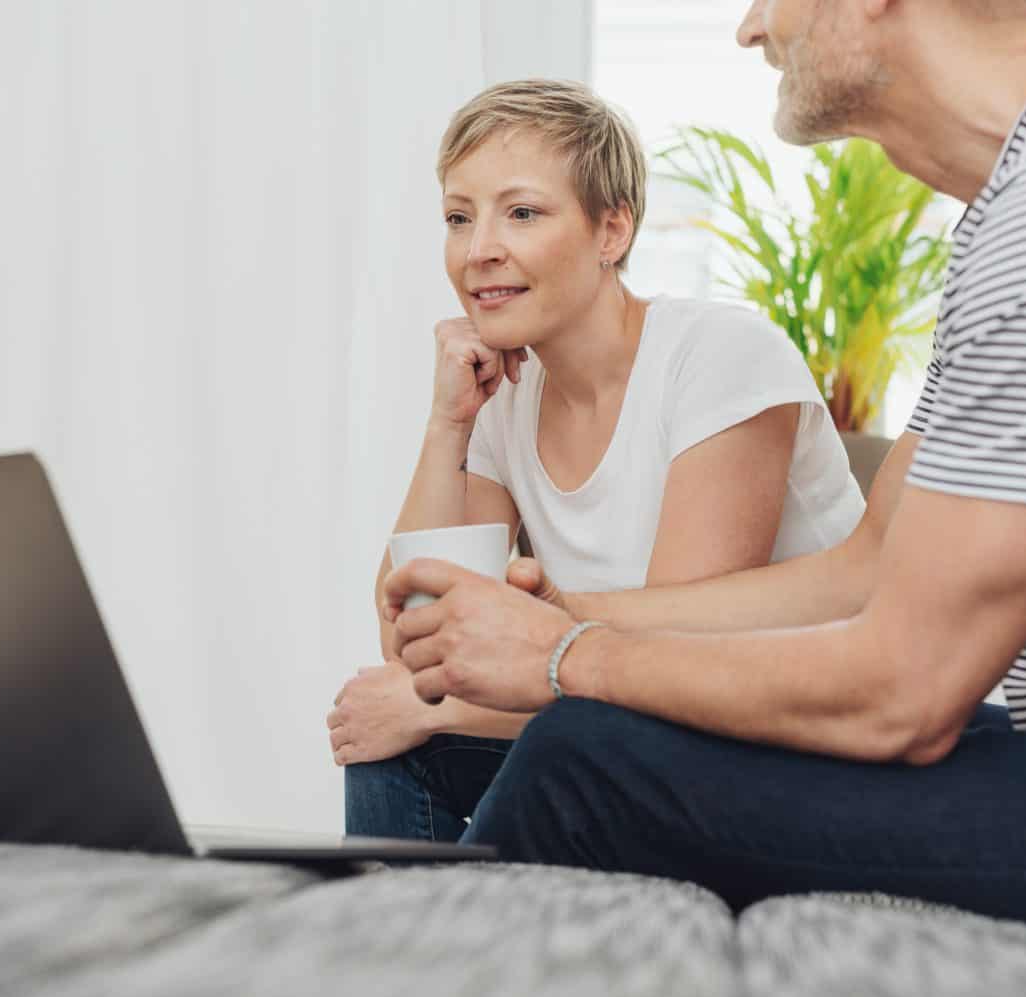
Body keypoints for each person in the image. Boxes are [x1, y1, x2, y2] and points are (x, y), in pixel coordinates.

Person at [381, 0, 1026, 949]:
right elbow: (865, 568)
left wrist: (563, 656)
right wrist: (555, 621)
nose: (752, 27)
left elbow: (906, 694)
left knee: (583, 761)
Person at [329, 79, 865, 842]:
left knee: (459, 727)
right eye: (458, 217)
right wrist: (448, 422)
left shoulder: (719, 356)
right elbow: (414, 641)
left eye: (522, 212)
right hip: (623, 729)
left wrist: (428, 706)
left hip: (782, 740)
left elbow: (675, 668)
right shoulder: (503, 396)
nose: (479, 249)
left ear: (612, 232)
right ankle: (411, 956)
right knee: (393, 750)